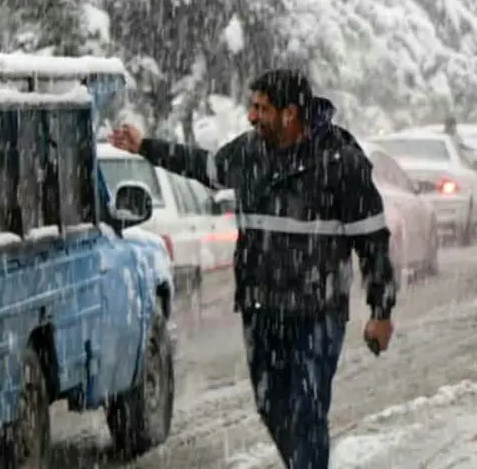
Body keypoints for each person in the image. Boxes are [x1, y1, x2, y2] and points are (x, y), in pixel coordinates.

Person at [109, 69, 396, 469]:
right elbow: (203, 166)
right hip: (262, 310)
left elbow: (372, 242)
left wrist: (381, 312)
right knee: (271, 405)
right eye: (252, 107)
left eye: (262, 109)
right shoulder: (249, 154)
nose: (252, 117)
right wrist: (146, 147)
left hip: (319, 310)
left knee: (308, 408)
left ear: (290, 113)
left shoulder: (340, 163)